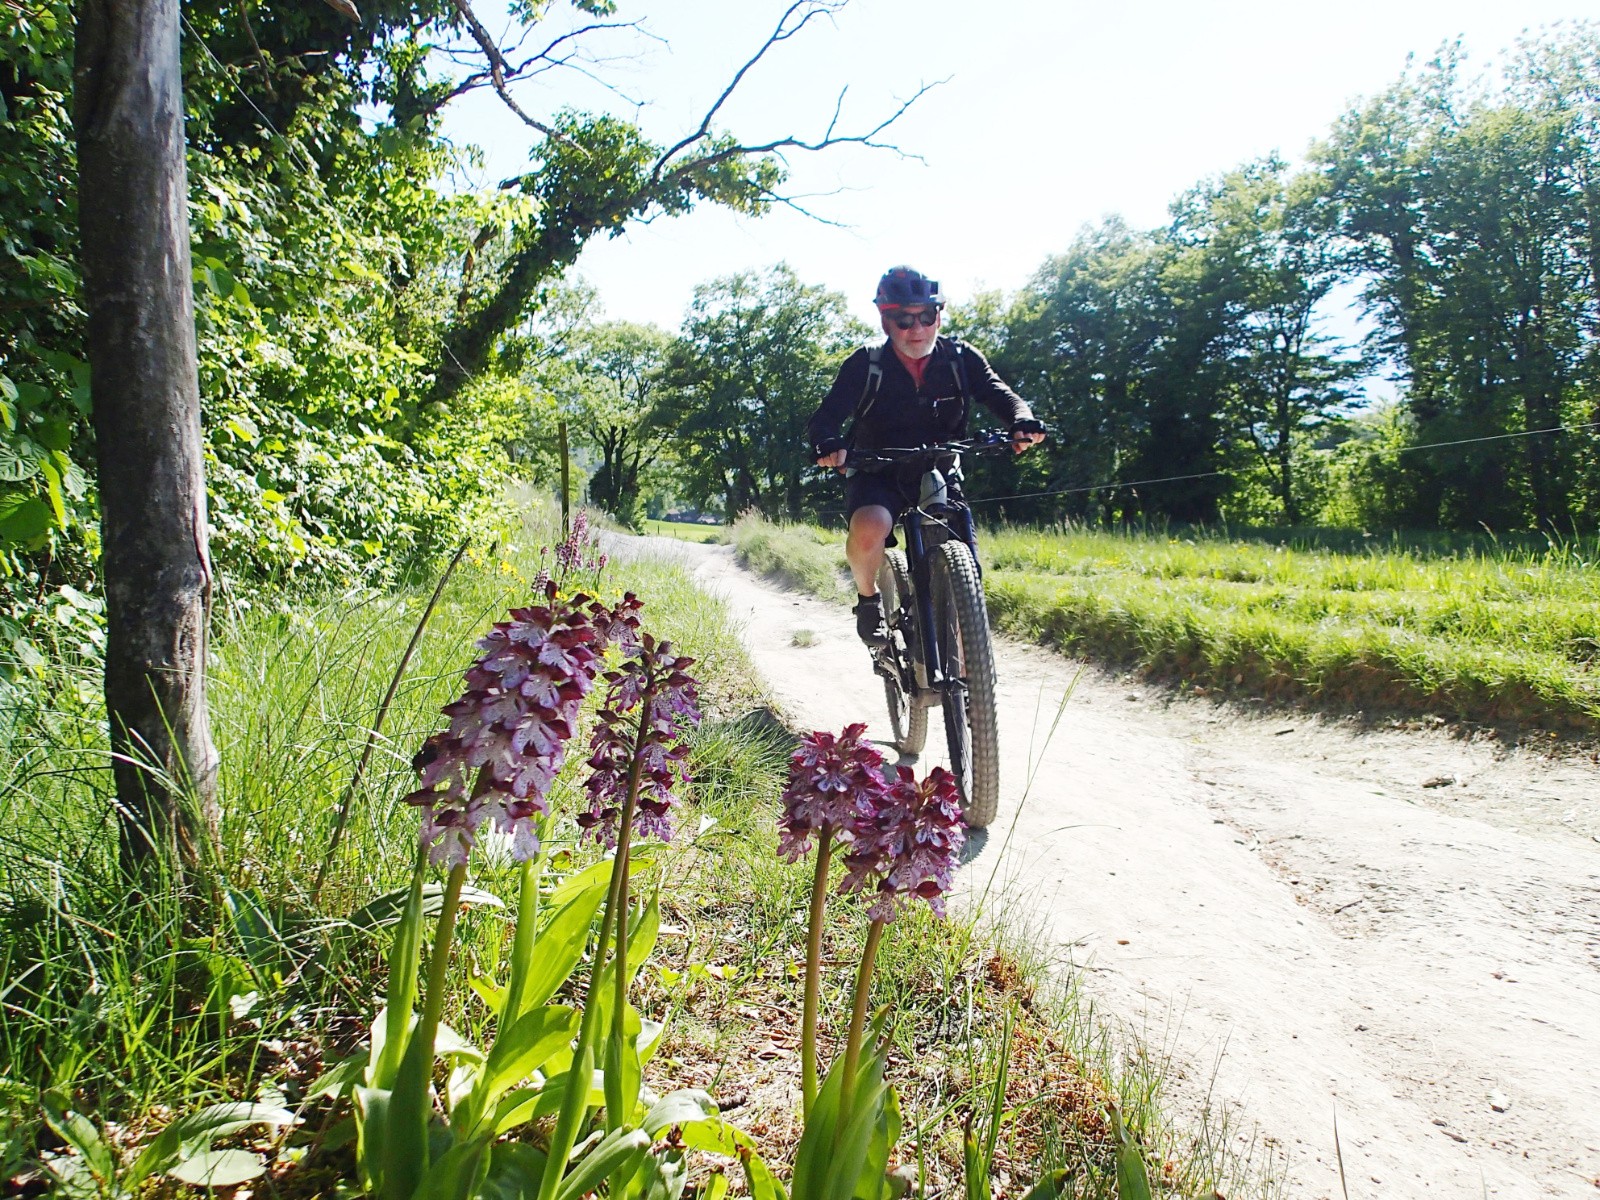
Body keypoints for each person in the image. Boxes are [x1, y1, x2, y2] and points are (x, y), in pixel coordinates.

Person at [806, 266, 1045, 645]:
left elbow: (1001, 395)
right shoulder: (865, 364)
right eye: (903, 319)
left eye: (926, 316)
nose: (916, 328)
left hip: (940, 469)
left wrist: (1022, 421)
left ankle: (968, 662)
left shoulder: (960, 358)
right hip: (878, 471)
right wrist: (829, 445)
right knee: (869, 527)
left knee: (965, 566)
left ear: (939, 315)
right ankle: (868, 600)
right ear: (885, 321)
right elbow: (826, 418)